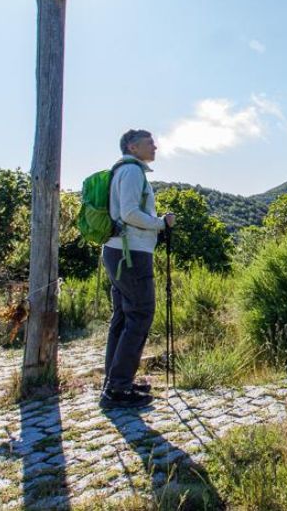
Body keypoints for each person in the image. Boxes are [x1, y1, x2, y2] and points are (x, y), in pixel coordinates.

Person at [100, 129, 175, 408]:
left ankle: (115, 382)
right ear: (133, 146)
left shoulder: (121, 171)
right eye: (149, 142)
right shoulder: (132, 172)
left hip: (117, 251)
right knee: (140, 315)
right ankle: (118, 389)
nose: (155, 146)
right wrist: (161, 223)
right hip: (131, 253)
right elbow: (130, 213)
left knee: (122, 318)